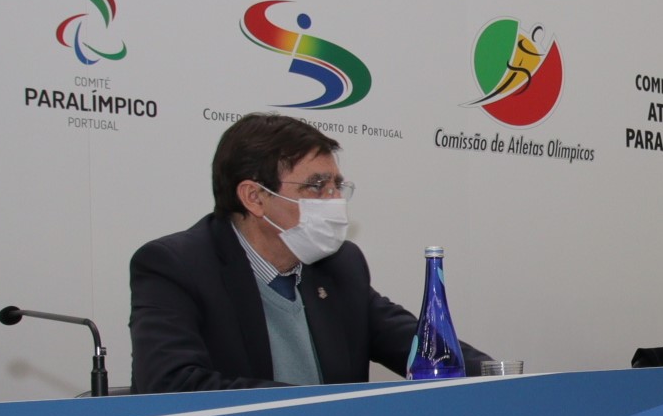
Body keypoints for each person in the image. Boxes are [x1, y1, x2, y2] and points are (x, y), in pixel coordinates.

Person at [130, 112, 488, 391]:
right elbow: (169, 383)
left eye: (337, 186)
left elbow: (424, 347)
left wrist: (502, 376)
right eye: (316, 186)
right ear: (254, 197)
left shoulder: (340, 265)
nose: (334, 201)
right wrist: (309, 408)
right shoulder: (176, 266)